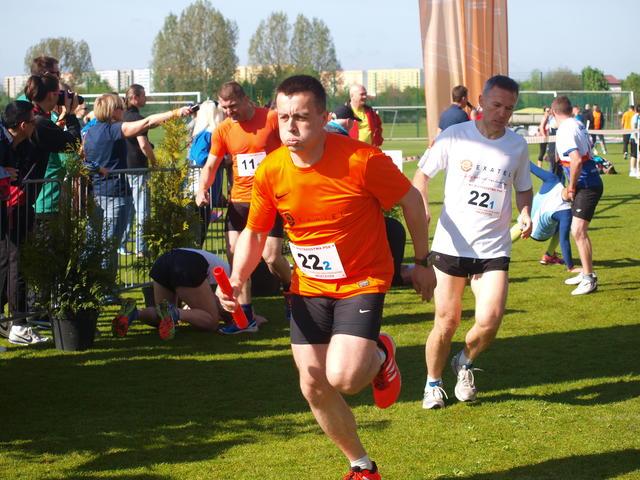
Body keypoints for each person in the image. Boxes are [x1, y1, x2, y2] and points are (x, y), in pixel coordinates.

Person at [217, 75, 435, 479]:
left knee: (345, 378)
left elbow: (411, 201)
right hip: (310, 285)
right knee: (313, 383)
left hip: (361, 281)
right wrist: (235, 278)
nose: (290, 127)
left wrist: (422, 261)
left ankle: (380, 353)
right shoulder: (271, 170)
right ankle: (362, 466)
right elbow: (255, 233)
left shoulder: (361, 160)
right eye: (284, 118)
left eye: (300, 117)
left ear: (322, 117)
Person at [413, 75, 533, 409]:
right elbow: (421, 175)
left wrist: (525, 211)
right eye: (496, 105)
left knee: (490, 320)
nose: (502, 113)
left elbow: (523, 188)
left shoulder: (517, 145)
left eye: (509, 108)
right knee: (446, 322)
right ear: (480, 101)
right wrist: (422, 204)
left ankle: (464, 361)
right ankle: (433, 383)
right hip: (451, 246)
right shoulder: (455, 136)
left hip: (493, 248)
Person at [195, 81, 292, 334]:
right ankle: (247, 319)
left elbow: (292, 149)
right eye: (224, 108)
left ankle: (292, 290)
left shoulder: (270, 119)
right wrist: (202, 188)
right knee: (236, 260)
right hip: (239, 202)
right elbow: (211, 165)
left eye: (233, 106)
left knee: (271, 258)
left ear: (245, 100)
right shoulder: (223, 130)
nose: (229, 112)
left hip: (270, 200)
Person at [84, 93, 192, 280]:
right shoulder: (113, 130)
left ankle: (87, 284)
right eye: (120, 107)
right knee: (109, 247)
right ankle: (106, 288)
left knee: (93, 245)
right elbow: (147, 123)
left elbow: (82, 159)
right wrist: (175, 113)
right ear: (112, 111)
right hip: (115, 194)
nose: (123, 111)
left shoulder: (89, 131)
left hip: (96, 193)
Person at [111, 248, 266, 340]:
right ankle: (174, 312)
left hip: (164, 261)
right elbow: (240, 311)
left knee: (162, 315)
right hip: (187, 263)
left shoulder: (226, 267)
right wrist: (250, 318)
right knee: (211, 321)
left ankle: (134, 313)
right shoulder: (235, 278)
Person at [0, 101, 47, 345]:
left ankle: (13, 321)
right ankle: (18, 323)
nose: (35, 126)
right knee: (13, 262)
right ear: (21, 125)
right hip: (8, 209)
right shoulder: (2, 142)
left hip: (10, 210)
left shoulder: (22, 145)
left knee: (10, 261)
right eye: (32, 122)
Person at [552, 95, 603, 295]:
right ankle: (585, 274)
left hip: (586, 185)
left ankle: (589, 278)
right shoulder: (577, 123)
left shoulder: (565, 130)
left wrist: (571, 187)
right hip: (587, 183)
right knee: (578, 231)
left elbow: (576, 160)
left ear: (553, 112)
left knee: (578, 231)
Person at [510, 162, 576, 272]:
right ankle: (549, 255)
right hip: (540, 233)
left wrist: (514, 159)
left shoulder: (552, 179)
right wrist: (571, 267)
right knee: (563, 226)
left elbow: (529, 165)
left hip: (525, 223)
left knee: (525, 217)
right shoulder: (566, 211)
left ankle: (495, 248)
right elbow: (564, 240)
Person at [122, 84, 155, 257]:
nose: (145, 98)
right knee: (142, 208)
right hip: (137, 168)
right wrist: (154, 161)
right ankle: (141, 247)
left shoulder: (121, 116)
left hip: (122, 167)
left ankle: (121, 244)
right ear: (135, 98)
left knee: (127, 208)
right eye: (143, 95)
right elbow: (143, 145)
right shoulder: (137, 119)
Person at [621, 105, 635, 171]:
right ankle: (632, 153)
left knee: (625, 143)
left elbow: (622, 122)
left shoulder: (625, 113)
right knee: (633, 142)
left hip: (626, 130)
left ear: (629, 108)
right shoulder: (635, 114)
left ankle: (625, 152)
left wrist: (622, 128)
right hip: (633, 130)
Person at [630, 105, 640, 179]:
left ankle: (637, 170)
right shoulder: (635, 117)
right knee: (634, 155)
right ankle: (633, 170)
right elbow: (633, 129)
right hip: (635, 139)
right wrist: (636, 139)